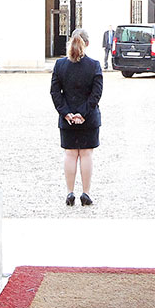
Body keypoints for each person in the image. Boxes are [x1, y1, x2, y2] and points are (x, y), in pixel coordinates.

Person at [50, 28, 103, 206]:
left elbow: (55, 93)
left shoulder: (59, 65)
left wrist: (66, 113)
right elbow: (96, 94)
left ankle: (70, 192)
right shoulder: (94, 65)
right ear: (87, 44)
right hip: (88, 118)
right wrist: (83, 113)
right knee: (86, 154)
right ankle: (86, 193)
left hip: (67, 118)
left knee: (70, 154)